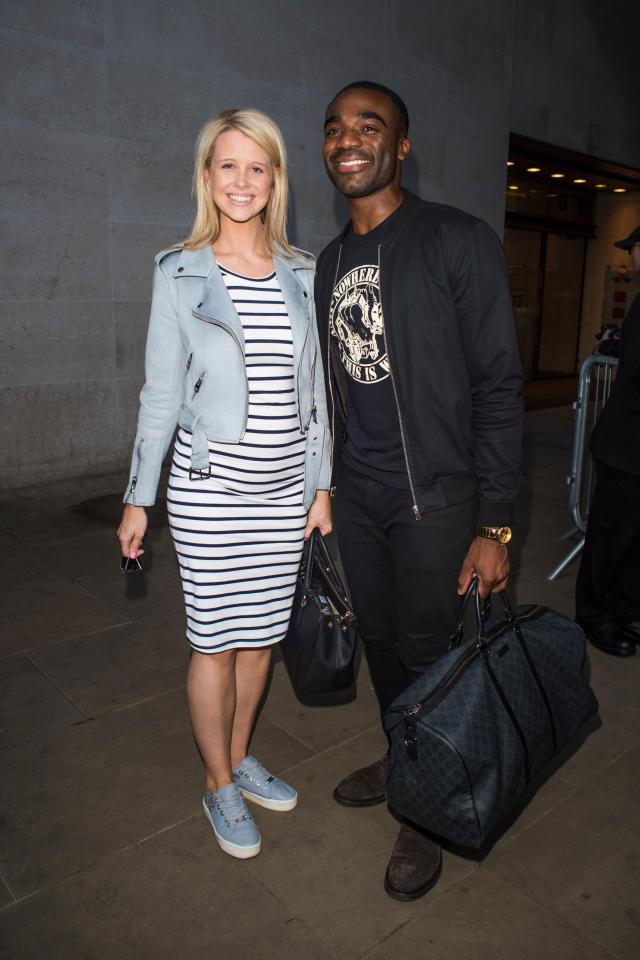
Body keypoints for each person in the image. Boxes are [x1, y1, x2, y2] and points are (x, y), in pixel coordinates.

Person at [315, 81, 523, 900]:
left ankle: (430, 807)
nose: (348, 140)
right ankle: (406, 758)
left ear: (402, 147)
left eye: (369, 127)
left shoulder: (455, 240)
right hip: (358, 498)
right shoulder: (330, 260)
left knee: (435, 658)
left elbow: (501, 387)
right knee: (382, 645)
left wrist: (496, 526)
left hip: (435, 499)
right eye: (334, 129)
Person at [117, 108, 332, 860]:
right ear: (207, 176)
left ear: (275, 178)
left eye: (257, 167)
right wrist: (138, 498)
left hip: (283, 496)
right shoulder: (178, 272)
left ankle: (239, 756)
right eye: (227, 166)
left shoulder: (305, 273)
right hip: (209, 495)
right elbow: (160, 395)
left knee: (261, 643)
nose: (242, 181)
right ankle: (217, 782)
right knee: (214, 644)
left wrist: (321, 486)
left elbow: (319, 396)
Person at [575, 226, 640, 657]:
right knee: (610, 538)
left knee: (634, 541)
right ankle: (593, 615)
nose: (633, 258)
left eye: (633, 249)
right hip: (625, 447)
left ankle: (623, 609)